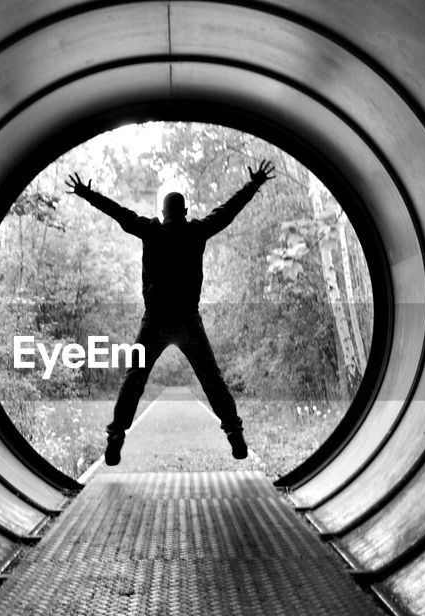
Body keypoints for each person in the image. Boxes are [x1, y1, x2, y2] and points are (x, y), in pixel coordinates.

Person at [67, 159, 276, 465]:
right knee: (212, 379)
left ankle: (116, 436)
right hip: (189, 321)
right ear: (185, 212)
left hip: (155, 321)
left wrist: (89, 194)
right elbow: (228, 211)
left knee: (134, 378)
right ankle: (234, 432)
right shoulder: (197, 231)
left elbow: (118, 213)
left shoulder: (150, 230)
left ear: (163, 213)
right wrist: (254, 184)